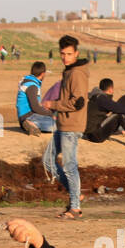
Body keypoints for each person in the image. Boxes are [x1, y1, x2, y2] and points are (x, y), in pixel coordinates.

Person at [46, 35, 90, 219]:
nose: (65, 57)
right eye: (63, 54)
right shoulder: (69, 71)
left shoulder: (77, 73)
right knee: (48, 161)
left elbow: (78, 103)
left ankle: (75, 207)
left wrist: (54, 104)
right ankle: (75, 194)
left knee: (69, 166)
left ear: (76, 53)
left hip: (72, 125)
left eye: (69, 54)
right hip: (63, 124)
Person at [84, 78, 125, 148]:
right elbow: (119, 108)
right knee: (121, 114)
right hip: (95, 135)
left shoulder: (96, 97)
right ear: (111, 89)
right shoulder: (101, 98)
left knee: (120, 113)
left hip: (90, 133)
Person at [16, 61, 55, 135]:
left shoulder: (28, 82)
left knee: (53, 120)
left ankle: (32, 125)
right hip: (29, 116)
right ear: (43, 73)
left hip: (25, 116)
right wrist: (50, 114)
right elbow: (35, 107)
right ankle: (31, 124)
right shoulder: (32, 86)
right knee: (57, 125)